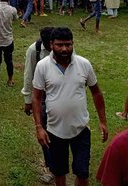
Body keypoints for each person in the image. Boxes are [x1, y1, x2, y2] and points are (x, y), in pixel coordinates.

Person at [32, 27, 108, 186]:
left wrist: (102, 121)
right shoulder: (42, 66)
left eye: (68, 44)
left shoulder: (84, 64)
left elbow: (96, 93)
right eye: (60, 45)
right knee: (59, 173)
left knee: (82, 174)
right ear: (51, 44)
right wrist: (39, 127)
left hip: (81, 130)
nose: (65, 49)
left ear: (73, 43)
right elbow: (37, 98)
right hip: (54, 131)